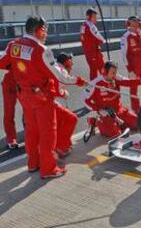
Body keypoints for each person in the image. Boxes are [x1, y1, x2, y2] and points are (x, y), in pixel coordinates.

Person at [0, 16, 86, 178]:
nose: (46, 34)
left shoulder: (13, 45)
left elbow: (2, 63)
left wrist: (18, 68)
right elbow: (61, 77)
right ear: (39, 30)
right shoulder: (42, 50)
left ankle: (33, 164)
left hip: (24, 96)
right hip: (42, 98)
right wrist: (79, 81)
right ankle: (48, 169)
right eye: (45, 29)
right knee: (48, 133)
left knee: (31, 131)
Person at [83, 61, 141, 137]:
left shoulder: (116, 77)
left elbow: (128, 82)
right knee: (116, 133)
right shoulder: (95, 84)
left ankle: (118, 123)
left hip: (120, 111)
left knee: (138, 123)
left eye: (115, 72)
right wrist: (98, 109)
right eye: (113, 73)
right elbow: (84, 100)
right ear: (105, 71)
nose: (115, 75)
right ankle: (94, 121)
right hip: (106, 114)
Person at [120, 15, 141, 112]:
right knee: (133, 88)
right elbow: (123, 55)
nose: (136, 26)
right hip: (134, 67)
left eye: (137, 23)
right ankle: (136, 109)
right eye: (134, 23)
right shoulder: (125, 37)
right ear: (130, 24)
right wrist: (129, 70)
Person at [54, 52, 80, 158]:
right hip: (48, 101)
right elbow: (56, 87)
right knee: (71, 118)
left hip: (41, 100)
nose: (72, 64)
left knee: (61, 121)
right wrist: (63, 93)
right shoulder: (62, 71)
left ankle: (61, 143)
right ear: (67, 62)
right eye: (71, 61)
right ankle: (61, 147)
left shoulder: (55, 67)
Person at [80, 8, 105, 80]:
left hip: (88, 51)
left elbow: (82, 38)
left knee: (93, 70)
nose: (96, 18)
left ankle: (94, 87)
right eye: (94, 16)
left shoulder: (83, 25)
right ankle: (106, 85)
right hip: (94, 51)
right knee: (101, 68)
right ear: (88, 17)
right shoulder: (91, 26)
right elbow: (99, 37)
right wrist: (103, 40)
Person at [1, 69, 19, 149]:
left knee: (30, 110)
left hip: (25, 80)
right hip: (10, 83)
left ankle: (33, 136)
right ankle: (11, 139)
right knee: (9, 112)